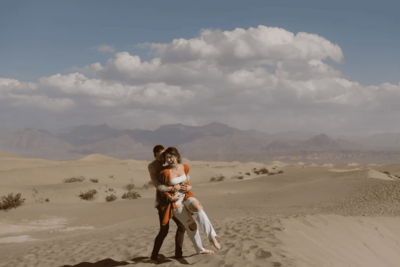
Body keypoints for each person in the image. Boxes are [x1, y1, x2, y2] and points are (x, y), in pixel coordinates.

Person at [157, 147, 221, 255]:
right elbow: (162, 190)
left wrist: (188, 188)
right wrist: (170, 196)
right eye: (167, 158)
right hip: (175, 201)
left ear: (176, 156)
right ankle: (200, 249)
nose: (169, 160)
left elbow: (187, 183)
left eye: (171, 157)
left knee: (198, 207)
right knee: (192, 225)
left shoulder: (185, 167)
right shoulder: (165, 172)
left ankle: (212, 237)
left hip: (186, 195)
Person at [148, 145, 187, 263]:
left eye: (163, 155)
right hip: (163, 202)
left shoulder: (169, 162)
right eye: (159, 156)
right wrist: (172, 189)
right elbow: (158, 186)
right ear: (155, 156)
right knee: (164, 230)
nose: (163, 158)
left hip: (176, 200)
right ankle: (154, 257)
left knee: (181, 226)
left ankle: (178, 254)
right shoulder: (153, 166)